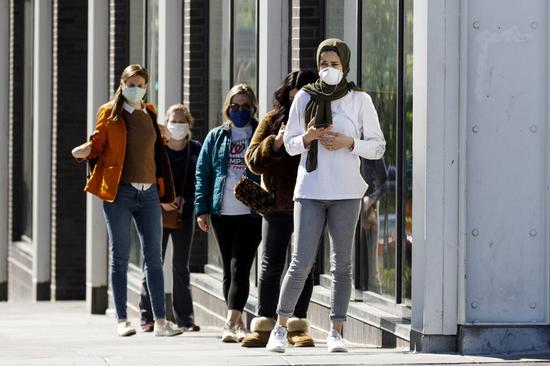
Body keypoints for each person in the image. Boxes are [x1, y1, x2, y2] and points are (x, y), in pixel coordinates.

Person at [265, 39, 386, 353]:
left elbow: (378, 146)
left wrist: (350, 142)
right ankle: (279, 329)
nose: (328, 69)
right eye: (323, 64)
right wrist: (309, 136)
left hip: (347, 191)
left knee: (341, 265)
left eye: (334, 64)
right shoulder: (305, 96)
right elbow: (288, 143)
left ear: (344, 64)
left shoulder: (360, 99)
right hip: (311, 190)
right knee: (300, 262)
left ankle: (336, 331)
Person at [71, 64, 182, 337]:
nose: (136, 88)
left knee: (154, 258)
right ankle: (122, 319)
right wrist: (84, 150)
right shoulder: (110, 113)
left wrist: (163, 134)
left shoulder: (150, 113)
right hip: (119, 192)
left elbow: (154, 153)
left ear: (146, 87)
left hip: (149, 195)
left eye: (141, 84)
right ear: (122, 85)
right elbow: (98, 143)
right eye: (131, 83)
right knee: (119, 257)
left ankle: (161, 322)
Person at [241, 70, 318, 348]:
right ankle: (265, 323)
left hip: (310, 201)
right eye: (293, 96)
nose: (297, 101)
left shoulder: (321, 119)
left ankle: (297, 324)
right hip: (277, 205)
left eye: (304, 96)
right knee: (271, 264)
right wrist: (274, 143)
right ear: (286, 96)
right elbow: (252, 160)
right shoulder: (272, 120)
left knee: (304, 266)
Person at [194, 84, 262, 343]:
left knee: (240, 266)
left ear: (253, 108)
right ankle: (240, 324)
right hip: (222, 211)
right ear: (227, 108)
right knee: (228, 270)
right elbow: (203, 173)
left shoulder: (259, 134)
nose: (240, 111)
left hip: (251, 211)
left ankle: (229, 322)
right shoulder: (216, 136)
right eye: (235, 106)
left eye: (245, 106)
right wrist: (202, 209)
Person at [139, 104, 202, 333]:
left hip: (184, 213)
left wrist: (187, 199)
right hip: (157, 211)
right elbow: (149, 175)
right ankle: (148, 316)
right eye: (173, 121)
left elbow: (201, 178)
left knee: (180, 266)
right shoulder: (158, 149)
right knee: (153, 263)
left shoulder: (195, 148)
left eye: (182, 121)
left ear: (189, 125)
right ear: (166, 123)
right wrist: (162, 199)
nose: (177, 125)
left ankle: (185, 318)